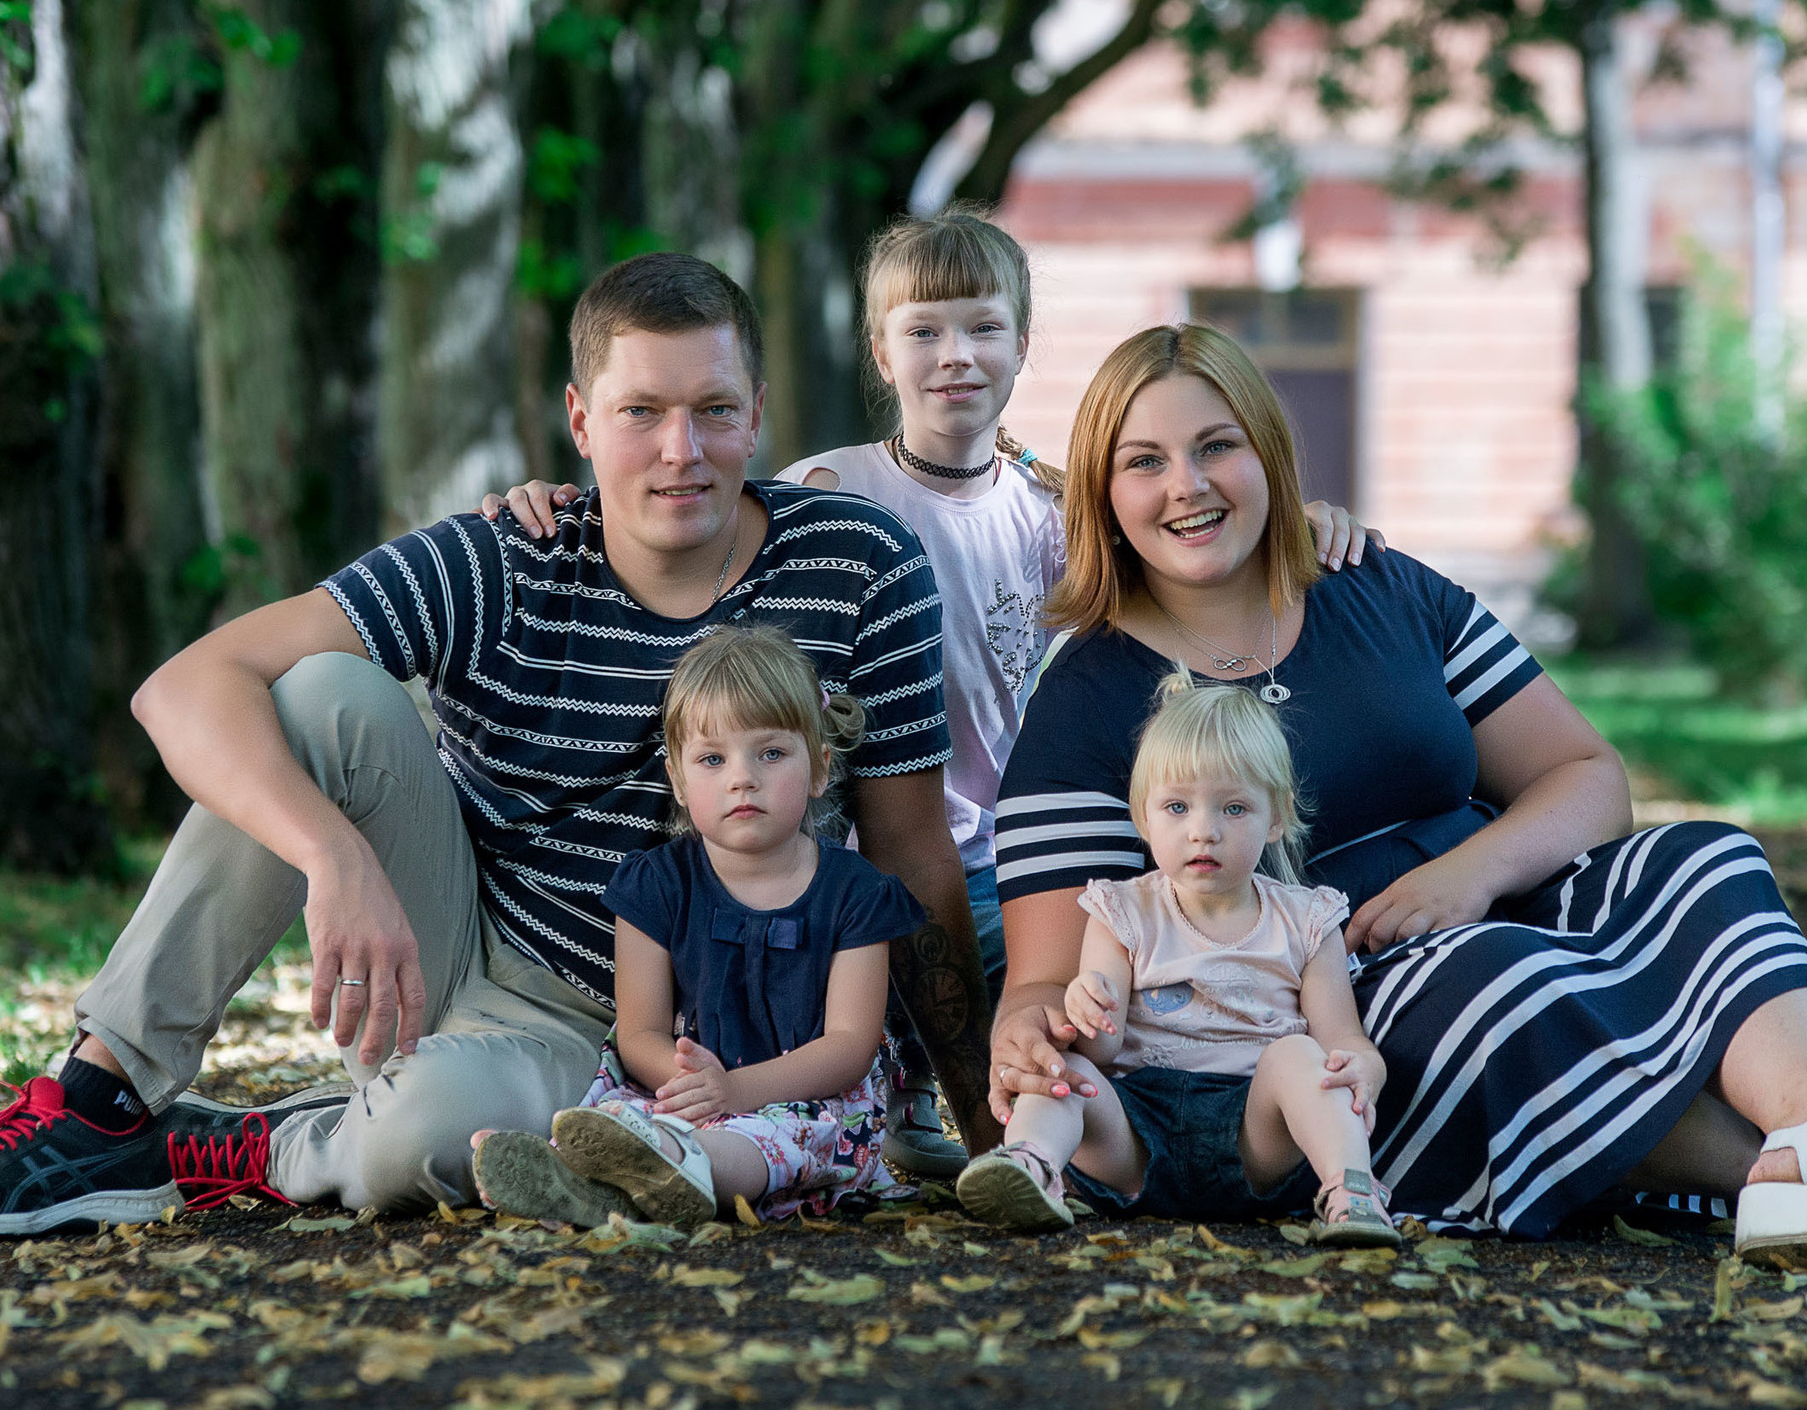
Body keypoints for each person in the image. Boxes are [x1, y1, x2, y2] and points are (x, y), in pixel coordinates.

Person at [0, 253, 992, 1240]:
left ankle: (220, 1146)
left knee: (418, 1139)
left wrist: (983, 1120)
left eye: (711, 409)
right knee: (315, 691)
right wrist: (334, 858)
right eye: (640, 411)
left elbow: (911, 850)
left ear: (756, 412)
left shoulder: (856, 564)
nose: (678, 451)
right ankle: (101, 1098)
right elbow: (182, 689)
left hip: (661, 1039)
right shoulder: (502, 557)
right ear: (579, 420)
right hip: (458, 950)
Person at [986, 323, 1807, 1267]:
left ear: (1267, 451)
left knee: (1708, 856)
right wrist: (1031, 1035)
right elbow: (1043, 978)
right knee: (1500, 977)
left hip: (1490, 887)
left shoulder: (1382, 588)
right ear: (1103, 497)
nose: (1188, 485)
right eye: (1144, 463)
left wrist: (1471, 873)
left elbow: (1586, 777)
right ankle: (1801, 1176)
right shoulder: (1089, 698)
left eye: (1216, 446)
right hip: (1325, 994)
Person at [484, 205, 1372, 1179]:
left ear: (1023, 344)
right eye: (923, 331)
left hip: (995, 841)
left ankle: (1125, 1123)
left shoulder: (1046, 511)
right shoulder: (831, 490)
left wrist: (1301, 520)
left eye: (983, 328)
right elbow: (690, 517)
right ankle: (860, 1112)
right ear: (880, 351)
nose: (955, 355)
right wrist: (557, 501)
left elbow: (1178, 543)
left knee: (1068, 1005)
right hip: (862, 833)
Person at [475, 627, 925, 1224]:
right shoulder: (656, 885)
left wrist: (735, 1092)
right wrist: (695, 1086)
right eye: (713, 759)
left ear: (819, 768)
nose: (743, 778)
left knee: (755, 1145)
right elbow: (638, 1035)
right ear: (681, 782)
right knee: (621, 1120)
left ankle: (673, 1172)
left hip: (811, 1107)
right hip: (686, 1092)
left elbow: (848, 1047)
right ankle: (587, 1175)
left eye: (771, 753)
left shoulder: (856, 894)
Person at [955, 675, 1395, 1246]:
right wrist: (1087, 1007)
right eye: (1177, 806)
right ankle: (1032, 1166)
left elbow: (1342, 1039)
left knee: (1299, 1057)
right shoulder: (1120, 912)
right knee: (1074, 1075)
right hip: (1137, 1135)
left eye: (1234, 807)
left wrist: (1367, 1068)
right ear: (1143, 817)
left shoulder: (1306, 920)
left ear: (1277, 817)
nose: (1203, 831)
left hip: (1255, 1137)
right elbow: (1102, 1049)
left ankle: (1350, 1191)